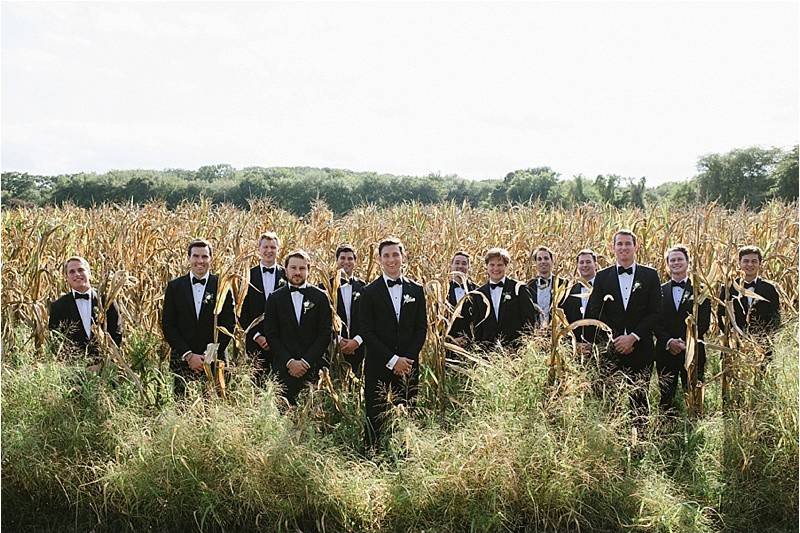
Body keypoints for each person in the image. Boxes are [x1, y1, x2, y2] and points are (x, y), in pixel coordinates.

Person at [584, 229, 661, 428]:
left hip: (641, 346)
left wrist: (633, 337)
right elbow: (596, 310)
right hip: (612, 348)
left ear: (636, 247)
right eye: (620, 244)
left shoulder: (650, 275)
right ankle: (614, 443)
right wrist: (617, 338)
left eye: (628, 244)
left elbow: (655, 312)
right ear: (613, 247)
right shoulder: (602, 277)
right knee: (612, 398)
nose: (624, 248)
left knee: (639, 398)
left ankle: (639, 447)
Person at [358, 237, 427, 451]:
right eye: (386, 255)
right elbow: (367, 332)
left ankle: (405, 458)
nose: (391, 259)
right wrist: (392, 360)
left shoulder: (416, 290)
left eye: (395, 254)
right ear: (379, 259)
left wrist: (407, 360)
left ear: (403, 256)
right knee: (376, 415)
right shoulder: (369, 292)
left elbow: (421, 329)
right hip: (379, 366)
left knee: (406, 414)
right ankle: (374, 457)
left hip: (408, 367)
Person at [162, 239, 235, 396]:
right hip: (183, 361)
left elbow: (229, 324)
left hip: (214, 361)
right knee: (182, 410)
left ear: (211, 258)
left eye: (204, 257)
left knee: (215, 412)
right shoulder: (175, 287)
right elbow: (168, 325)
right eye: (195, 256)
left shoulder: (222, 286)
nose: (200, 261)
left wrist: (208, 356)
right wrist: (189, 355)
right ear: (189, 258)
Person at [262, 250, 333, 405]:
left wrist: (306, 362)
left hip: (313, 369)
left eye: (302, 268)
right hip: (283, 369)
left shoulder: (320, 297)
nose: (297, 272)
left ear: (308, 270)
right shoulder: (275, 298)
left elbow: (325, 333)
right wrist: (289, 362)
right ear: (285, 270)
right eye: (293, 268)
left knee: (313, 419)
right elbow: (271, 334)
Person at [654, 245, 711, 414]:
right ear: (667, 264)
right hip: (666, 352)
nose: (676, 262)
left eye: (680, 259)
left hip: (693, 352)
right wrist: (669, 342)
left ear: (688, 262)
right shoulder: (658, 291)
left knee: (694, 395)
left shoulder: (701, 291)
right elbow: (655, 322)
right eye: (672, 260)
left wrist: (687, 343)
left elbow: (704, 323)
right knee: (666, 397)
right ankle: (666, 433)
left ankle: (696, 432)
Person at [48, 256, 123, 368]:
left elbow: (117, 333)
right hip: (74, 370)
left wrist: (105, 363)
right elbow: (55, 339)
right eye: (72, 272)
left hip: (105, 367)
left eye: (81, 270)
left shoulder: (107, 300)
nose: (77, 274)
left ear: (89, 273)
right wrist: (73, 367)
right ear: (66, 278)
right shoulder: (58, 306)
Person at [717, 245, 781, 364]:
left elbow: (776, 317)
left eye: (754, 261)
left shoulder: (769, 288)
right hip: (734, 344)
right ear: (739, 263)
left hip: (762, 346)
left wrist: (763, 338)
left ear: (760, 264)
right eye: (746, 261)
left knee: (762, 379)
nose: (750, 265)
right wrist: (734, 335)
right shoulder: (728, 287)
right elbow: (720, 315)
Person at [469, 247, 539, 348]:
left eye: (500, 265)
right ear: (486, 267)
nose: (496, 269)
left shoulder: (519, 288)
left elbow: (529, 320)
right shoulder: (478, 294)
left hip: (515, 350)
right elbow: (477, 326)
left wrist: (524, 346)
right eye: (492, 265)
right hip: (488, 351)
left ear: (506, 266)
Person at [240, 232, 287, 381]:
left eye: (273, 247)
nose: (269, 251)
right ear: (258, 249)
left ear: (278, 250)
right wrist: (257, 336)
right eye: (265, 247)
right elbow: (242, 311)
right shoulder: (247, 276)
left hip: (283, 342)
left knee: (280, 383)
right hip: (255, 341)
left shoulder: (287, 275)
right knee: (257, 382)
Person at [324, 244, 366, 373]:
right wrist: (339, 340)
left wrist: (356, 341)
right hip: (332, 349)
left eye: (350, 258)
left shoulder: (364, 287)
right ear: (336, 261)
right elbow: (322, 318)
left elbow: (369, 318)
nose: (346, 262)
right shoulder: (325, 287)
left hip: (359, 347)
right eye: (342, 258)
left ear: (355, 262)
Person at [559, 249, 598, 353]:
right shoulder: (569, 291)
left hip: (600, 349)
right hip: (575, 350)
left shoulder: (605, 288)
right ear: (577, 266)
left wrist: (596, 346)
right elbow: (564, 320)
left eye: (588, 262)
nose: (584, 265)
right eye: (581, 262)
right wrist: (574, 344)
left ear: (596, 264)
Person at [526, 246, 569, 327]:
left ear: (552, 261)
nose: (543, 262)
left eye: (546, 258)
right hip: (535, 334)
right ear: (535, 263)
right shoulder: (529, 285)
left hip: (557, 333)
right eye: (539, 259)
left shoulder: (563, 284)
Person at [446, 251, 477, 344]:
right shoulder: (442, 291)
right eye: (457, 263)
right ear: (451, 265)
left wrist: (469, 339)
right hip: (447, 345)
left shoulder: (477, 291)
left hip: (471, 344)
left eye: (464, 263)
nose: (460, 266)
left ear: (469, 267)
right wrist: (451, 340)